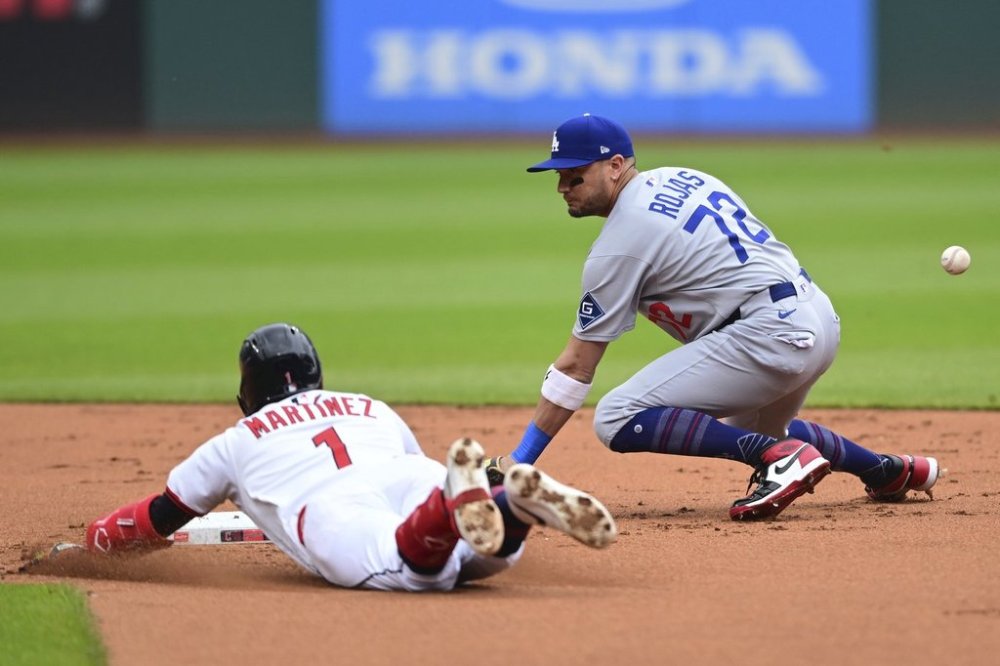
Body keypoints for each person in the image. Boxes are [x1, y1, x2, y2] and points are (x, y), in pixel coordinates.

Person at [485, 113, 942, 520]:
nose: (563, 187)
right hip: (816, 317)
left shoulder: (620, 244)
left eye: (575, 174)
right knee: (754, 430)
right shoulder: (682, 176)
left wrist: (520, 460)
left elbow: (577, 364)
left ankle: (782, 457)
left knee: (615, 417)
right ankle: (885, 470)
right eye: (559, 176)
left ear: (616, 165)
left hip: (768, 334)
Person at [83, 323, 616, 591]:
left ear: (247, 392)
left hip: (335, 507)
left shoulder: (236, 439)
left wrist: (93, 544)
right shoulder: (369, 406)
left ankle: (460, 504)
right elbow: (410, 461)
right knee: (479, 558)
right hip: (412, 475)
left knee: (416, 572)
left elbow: (159, 517)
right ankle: (511, 505)